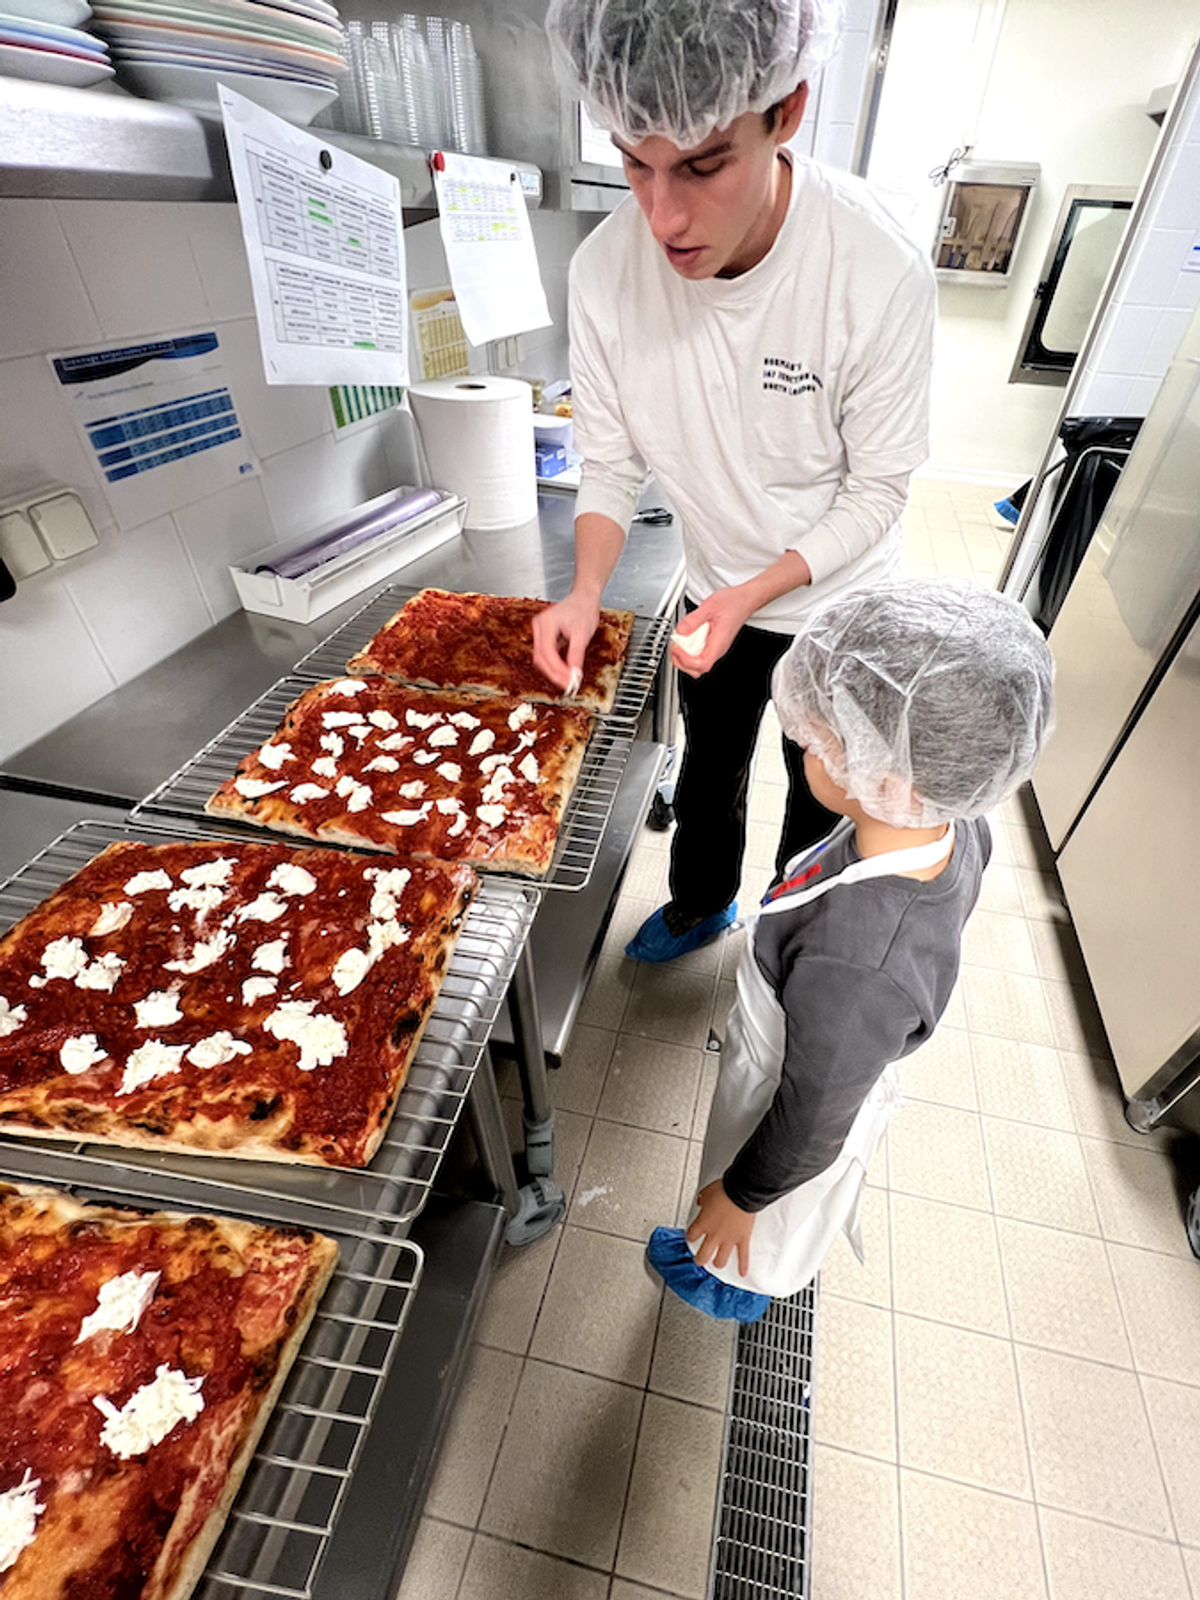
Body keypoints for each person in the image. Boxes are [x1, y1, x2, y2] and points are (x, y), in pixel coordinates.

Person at [532, 0, 938, 963]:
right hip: (717, 590)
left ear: (786, 112)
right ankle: (703, 902)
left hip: (838, 607)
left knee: (817, 796)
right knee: (709, 766)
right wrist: (585, 592)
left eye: (704, 165)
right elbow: (612, 459)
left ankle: (781, 944)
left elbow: (880, 491)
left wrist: (758, 587)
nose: (663, 215)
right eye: (636, 162)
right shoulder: (604, 274)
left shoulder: (875, 271)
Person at [644, 579, 1055, 1321]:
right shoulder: (945, 822)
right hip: (816, 1047)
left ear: (886, 778)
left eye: (824, 736)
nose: (805, 737)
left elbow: (813, 1115)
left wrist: (742, 1197)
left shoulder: (859, 964)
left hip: (796, 1108)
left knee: (759, 1234)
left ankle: (728, 1285)